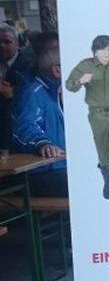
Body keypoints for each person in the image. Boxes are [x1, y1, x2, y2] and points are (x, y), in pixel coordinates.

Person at [65, 35, 109, 204]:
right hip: (97, 116)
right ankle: (107, 179)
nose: (106, 53)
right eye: (102, 49)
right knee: (103, 152)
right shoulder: (86, 65)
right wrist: (81, 80)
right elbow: (69, 85)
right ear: (95, 51)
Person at [12, 33, 66, 197]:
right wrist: (42, 144)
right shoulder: (32, 92)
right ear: (57, 71)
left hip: (60, 168)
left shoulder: (56, 93)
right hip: (43, 174)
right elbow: (24, 126)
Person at [0, 23, 33, 152]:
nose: (1, 46)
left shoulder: (30, 66)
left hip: (17, 133)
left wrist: (13, 93)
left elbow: (33, 96)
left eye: (7, 42)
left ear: (17, 44)